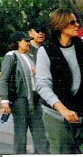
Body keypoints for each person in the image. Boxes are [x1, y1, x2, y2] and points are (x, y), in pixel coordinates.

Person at [36, 9, 83, 154]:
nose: (77, 25)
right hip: (56, 115)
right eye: (72, 22)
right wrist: (63, 110)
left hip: (80, 111)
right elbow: (43, 85)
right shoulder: (46, 51)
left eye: (77, 21)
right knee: (62, 152)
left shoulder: (81, 47)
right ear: (60, 26)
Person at [0, 32, 48, 154]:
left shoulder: (31, 57)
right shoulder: (11, 56)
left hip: (35, 99)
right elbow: (3, 79)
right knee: (21, 134)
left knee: (40, 133)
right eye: (26, 41)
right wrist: (5, 101)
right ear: (18, 42)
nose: (28, 43)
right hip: (20, 100)